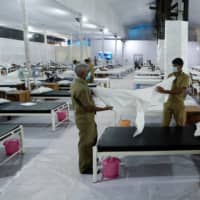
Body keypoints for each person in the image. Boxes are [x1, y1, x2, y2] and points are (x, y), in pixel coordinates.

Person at [71, 64, 113, 174]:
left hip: (87, 117)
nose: (90, 74)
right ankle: (85, 167)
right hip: (84, 118)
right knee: (86, 142)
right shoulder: (81, 88)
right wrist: (106, 108)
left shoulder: (80, 84)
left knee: (93, 138)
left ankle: (92, 159)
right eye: (89, 72)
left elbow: (86, 95)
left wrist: (92, 92)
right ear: (83, 73)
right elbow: (89, 107)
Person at [156, 58, 190, 127]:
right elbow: (166, 86)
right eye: (173, 65)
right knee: (165, 125)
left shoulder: (185, 77)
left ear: (181, 66)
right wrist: (160, 88)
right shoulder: (170, 75)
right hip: (168, 102)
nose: (173, 67)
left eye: (175, 65)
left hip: (178, 103)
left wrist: (164, 91)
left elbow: (180, 91)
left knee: (180, 125)